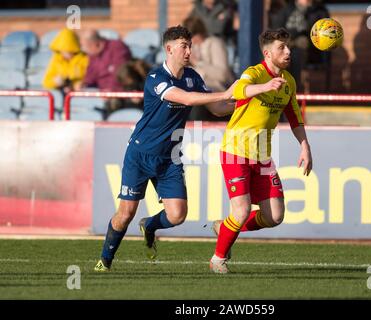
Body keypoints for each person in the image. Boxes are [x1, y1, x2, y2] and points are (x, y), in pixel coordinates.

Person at [94, 25, 236, 272]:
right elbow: (188, 99)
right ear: (169, 49)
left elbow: (216, 109)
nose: (189, 50)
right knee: (126, 213)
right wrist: (226, 92)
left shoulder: (193, 77)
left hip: (170, 157)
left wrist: (243, 104)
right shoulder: (156, 78)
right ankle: (105, 260)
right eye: (184, 45)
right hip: (140, 154)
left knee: (178, 215)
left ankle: (149, 226)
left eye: (190, 45)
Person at [209, 28, 313, 274]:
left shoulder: (288, 81)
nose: (288, 52)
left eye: (288, 47)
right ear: (267, 53)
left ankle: (225, 228)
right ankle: (217, 259)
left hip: (262, 156)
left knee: (274, 216)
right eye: (281, 48)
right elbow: (238, 91)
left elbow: (294, 116)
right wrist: (265, 87)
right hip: (236, 150)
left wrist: (305, 146)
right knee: (242, 210)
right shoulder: (254, 74)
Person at [284, 0, 329, 91]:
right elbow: (277, 31)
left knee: (298, 52)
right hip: (289, 47)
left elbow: (324, 35)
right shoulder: (288, 9)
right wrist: (293, 42)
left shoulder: (319, 10)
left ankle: (296, 91)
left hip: (311, 50)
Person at [42, 28, 89, 93]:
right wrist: (55, 82)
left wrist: (76, 85)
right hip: (61, 92)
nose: (65, 53)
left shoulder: (85, 59)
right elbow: (46, 82)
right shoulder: (56, 59)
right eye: (63, 50)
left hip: (77, 93)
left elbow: (90, 78)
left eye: (69, 51)